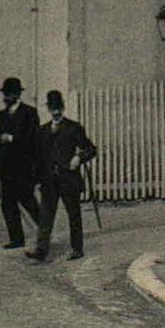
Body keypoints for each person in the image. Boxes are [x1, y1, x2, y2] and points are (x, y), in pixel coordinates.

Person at [27, 90, 98, 262]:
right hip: (49, 181)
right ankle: (41, 250)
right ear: (48, 109)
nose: (56, 112)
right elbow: (38, 158)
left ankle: (77, 248)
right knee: (45, 216)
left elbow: (91, 149)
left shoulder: (73, 128)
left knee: (73, 214)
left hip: (68, 178)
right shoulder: (42, 131)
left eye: (58, 108)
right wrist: (36, 180)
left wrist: (78, 157)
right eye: (52, 108)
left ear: (63, 107)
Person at [0, 76, 41, 249]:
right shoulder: (2, 115)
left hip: (24, 165)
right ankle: (16, 238)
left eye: (9, 94)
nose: (6, 98)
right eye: (5, 94)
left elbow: (33, 139)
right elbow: (0, 143)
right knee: (8, 203)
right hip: (6, 167)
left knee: (27, 200)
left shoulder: (29, 113)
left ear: (16, 95)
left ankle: (45, 229)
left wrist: (13, 138)